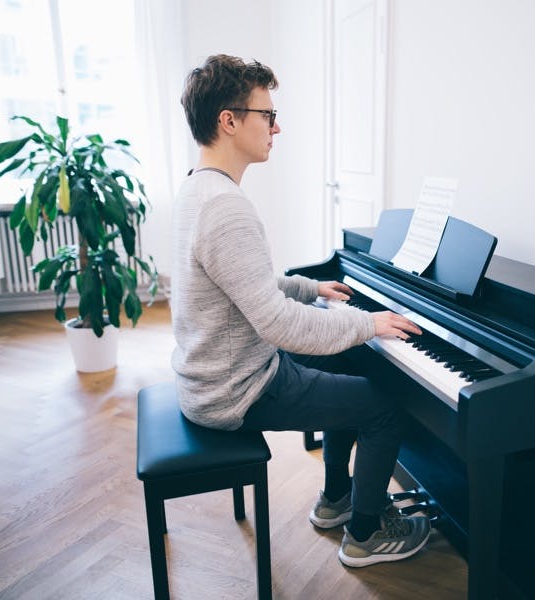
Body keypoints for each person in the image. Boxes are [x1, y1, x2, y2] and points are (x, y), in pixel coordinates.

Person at [172, 54, 431, 568]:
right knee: (383, 406)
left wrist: (309, 288)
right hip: (238, 390)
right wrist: (368, 323)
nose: (276, 126)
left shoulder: (197, 188)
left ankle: (337, 497)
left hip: (212, 376)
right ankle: (366, 532)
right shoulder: (227, 207)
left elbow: (244, 285)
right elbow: (277, 325)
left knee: (346, 364)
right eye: (266, 115)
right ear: (229, 120)